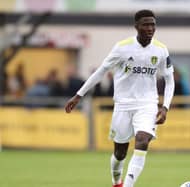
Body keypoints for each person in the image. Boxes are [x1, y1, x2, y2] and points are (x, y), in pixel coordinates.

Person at [64, 10, 175, 187]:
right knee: (120, 153)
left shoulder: (161, 50)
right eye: (146, 24)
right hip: (123, 105)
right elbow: (101, 71)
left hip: (147, 104)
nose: (150, 28)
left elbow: (170, 80)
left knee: (143, 140)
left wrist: (165, 107)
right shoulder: (122, 47)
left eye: (153, 24)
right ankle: (117, 182)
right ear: (136, 26)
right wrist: (79, 95)